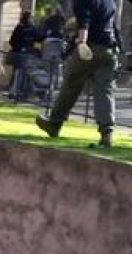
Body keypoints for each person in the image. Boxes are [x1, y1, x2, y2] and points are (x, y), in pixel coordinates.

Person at [36, 0, 123, 147]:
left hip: (90, 47)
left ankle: (54, 124)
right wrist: (120, 48)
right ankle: (107, 133)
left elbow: (84, 21)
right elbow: (113, 26)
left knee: (70, 83)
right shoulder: (110, 2)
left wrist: (81, 42)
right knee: (105, 91)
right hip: (110, 50)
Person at [8, 12, 41, 99]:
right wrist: (19, 48)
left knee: (25, 73)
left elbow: (38, 38)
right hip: (19, 54)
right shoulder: (20, 28)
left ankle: (24, 92)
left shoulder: (32, 28)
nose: (32, 20)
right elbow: (12, 41)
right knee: (18, 73)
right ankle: (14, 92)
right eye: (30, 18)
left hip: (27, 54)